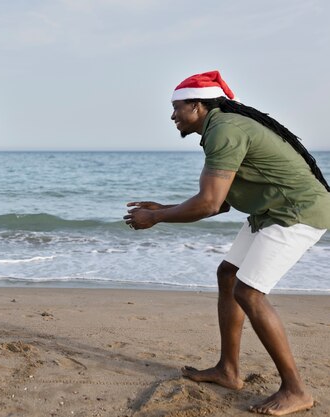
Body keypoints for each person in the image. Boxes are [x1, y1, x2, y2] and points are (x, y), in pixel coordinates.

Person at [124, 71, 330, 416]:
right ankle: (229, 371)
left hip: (296, 212)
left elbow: (208, 204)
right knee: (228, 275)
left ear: (197, 105)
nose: (173, 115)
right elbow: (219, 202)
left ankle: (296, 390)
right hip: (270, 212)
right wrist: (165, 208)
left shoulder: (225, 130)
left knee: (249, 292)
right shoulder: (219, 128)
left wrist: (156, 218)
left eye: (177, 107)